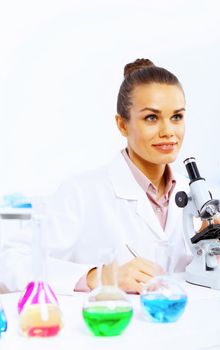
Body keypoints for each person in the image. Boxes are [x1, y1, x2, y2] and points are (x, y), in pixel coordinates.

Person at [0, 59, 200, 294]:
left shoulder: (193, 193)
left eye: (176, 117)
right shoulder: (82, 193)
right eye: (151, 118)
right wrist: (100, 276)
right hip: (112, 327)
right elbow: (9, 261)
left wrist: (210, 255)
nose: (168, 131)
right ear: (122, 125)